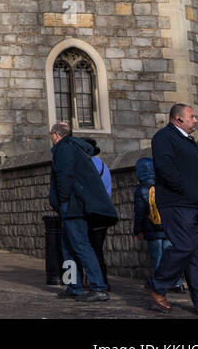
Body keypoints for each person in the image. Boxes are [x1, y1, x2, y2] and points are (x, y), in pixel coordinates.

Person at [144, 104, 198, 315]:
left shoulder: (190, 143)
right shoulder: (164, 137)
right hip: (178, 204)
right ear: (178, 119)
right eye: (192, 117)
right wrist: (185, 190)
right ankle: (157, 285)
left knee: (195, 256)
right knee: (184, 246)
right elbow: (165, 168)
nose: (196, 120)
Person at [48, 121, 116, 301]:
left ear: (56, 135)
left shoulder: (64, 148)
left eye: (51, 135)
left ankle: (98, 287)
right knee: (68, 247)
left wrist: (62, 201)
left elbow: (64, 176)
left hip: (73, 206)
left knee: (81, 246)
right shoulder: (74, 148)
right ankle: (73, 286)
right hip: (75, 205)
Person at [132, 157, 184, 292]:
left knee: (157, 258)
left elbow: (139, 213)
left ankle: (160, 284)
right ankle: (177, 283)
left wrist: (138, 230)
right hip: (167, 228)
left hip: (151, 229)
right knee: (170, 258)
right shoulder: (164, 186)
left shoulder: (141, 191)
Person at [87, 142, 112, 292]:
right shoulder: (104, 166)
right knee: (98, 248)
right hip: (105, 211)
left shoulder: (88, 167)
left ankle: (98, 282)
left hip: (92, 213)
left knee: (92, 249)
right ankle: (102, 280)